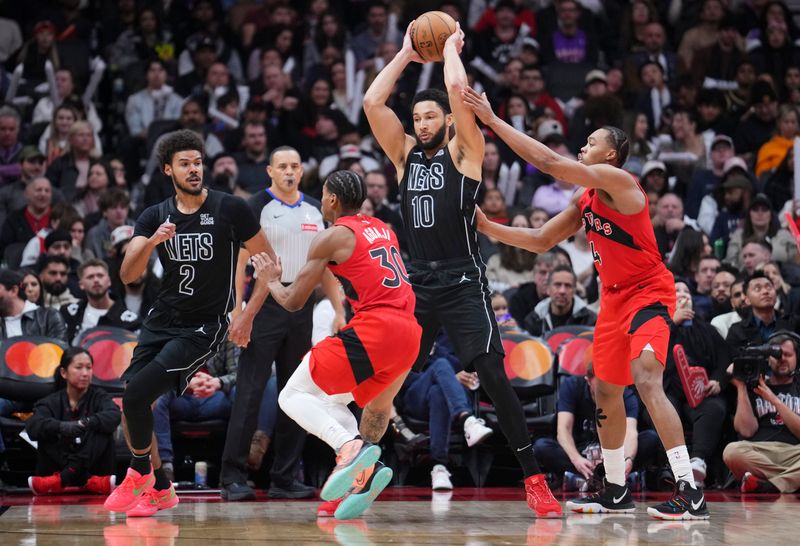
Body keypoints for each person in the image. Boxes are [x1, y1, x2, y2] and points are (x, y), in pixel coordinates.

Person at [462, 88, 709, 518]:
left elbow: (553, 164)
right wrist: (487, 226)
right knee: (606, 393)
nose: (583, 146)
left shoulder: (622, 183)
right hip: (612, 301)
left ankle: (690, 489)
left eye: (592, 142)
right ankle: (615, 489)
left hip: (649, 292)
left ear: (611, 155)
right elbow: (542, 241)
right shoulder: (587, 199)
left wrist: (493, 122)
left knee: (647, 380)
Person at [362, 22, 562, 517]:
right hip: (419, 281)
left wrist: (450, 48)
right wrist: (408, 53)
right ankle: (359, 471)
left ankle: (534, 479)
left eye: (432, 116)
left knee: (492, 374)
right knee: (387, 378)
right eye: (418, 117)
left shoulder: (464, 153)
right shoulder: (405, 157)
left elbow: (457, 90)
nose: (424, 123)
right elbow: (371, 103)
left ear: (448, 122)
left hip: (463, 278)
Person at [102, 130, 273, 517]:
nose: (194, 169)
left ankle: (140, 472)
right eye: (185, 163)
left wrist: (245, 315)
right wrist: (150, 242)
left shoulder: (232, 208)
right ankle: (162, 488)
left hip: (205, 326)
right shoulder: (154, 215)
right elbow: (129, 275)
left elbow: (271, 265)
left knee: (135, 396)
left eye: (197, 162)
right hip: (161, 318)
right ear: (168, 170)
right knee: (134, 401)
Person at [253, 170, 421, 520]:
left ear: (330, 199)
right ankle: (362, 476)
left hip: (377, 328)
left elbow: (294, 301)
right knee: (343, 403)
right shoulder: (382, 228)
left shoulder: (332, 237)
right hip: (409, 332)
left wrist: (270, 281)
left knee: (292, 395)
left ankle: (349, 449)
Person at [220, 146, 344, 502]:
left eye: (295, 166)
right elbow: (240, 261)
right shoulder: (257, 206)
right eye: (283, 166)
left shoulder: (313, 209)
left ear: (302, 170)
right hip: (265, 304)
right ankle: (232, 476)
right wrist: (238, 308)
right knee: (250, 391)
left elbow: (326, 267)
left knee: (297, 393)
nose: (289, 171)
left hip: (301, 305)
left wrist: (338, 311)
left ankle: (284, 477)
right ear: (270, 171)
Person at [532, 362, 657, 491]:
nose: (604, 390)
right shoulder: (572, 386)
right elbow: (563, 430)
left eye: (608, 385)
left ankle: (580, 480)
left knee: (651, 438)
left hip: (615, 455)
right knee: (542, 446)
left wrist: (627, 460)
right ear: (588, 380)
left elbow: (630, 432)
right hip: (581, 455)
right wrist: (577, 459)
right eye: (600, 386)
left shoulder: (625, 393)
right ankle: (613, 480)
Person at [26, 348, 120, 495]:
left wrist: (87, 422)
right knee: (48, 428)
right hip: (59, 465)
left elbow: (114, 415)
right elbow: (32, 426)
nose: (85, 373)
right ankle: (84, 479)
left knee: (101, 427)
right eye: (78, 367)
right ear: (64, 372)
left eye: (88, 368)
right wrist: (61, 426)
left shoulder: (99, 396)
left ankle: (63, 479)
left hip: (94, 469)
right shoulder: (51, 401)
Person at [724, 331, 800, 493]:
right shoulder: (754, 385)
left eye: (788, 354)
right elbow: (746, 430)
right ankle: (789, 481)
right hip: (760, 452)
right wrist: (741, 387)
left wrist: (774, 400)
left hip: (794, 453)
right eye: (776, 355)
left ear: (797, 358)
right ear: (768, 359)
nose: (782, 359)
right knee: (731, 451)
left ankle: (768, 485)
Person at [59, 259, 140, 345]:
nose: (96, 280)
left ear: (109, 281)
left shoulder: (129, 321)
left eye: (100, 276)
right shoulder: (69, 313)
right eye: (90, 277)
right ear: (81, 285)